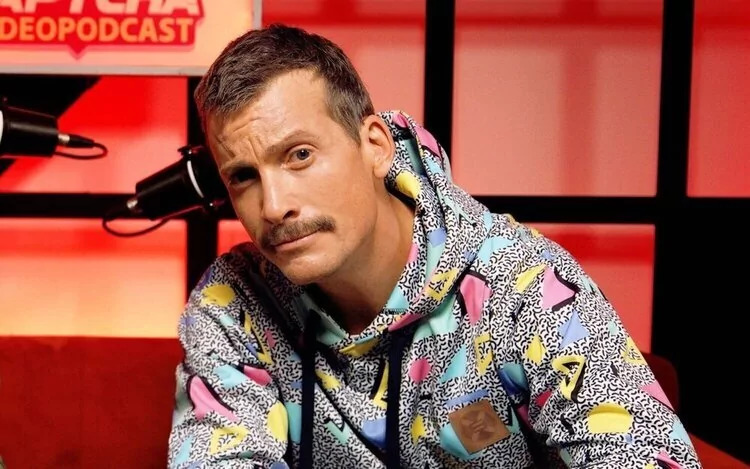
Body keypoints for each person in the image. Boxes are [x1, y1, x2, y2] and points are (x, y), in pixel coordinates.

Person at [167, 23, 701, 469]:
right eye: (243, 176)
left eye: (300, 155)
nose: (274, 206)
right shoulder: (232, 304)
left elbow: (646, 454)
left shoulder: (521, 282)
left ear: (375, 145)